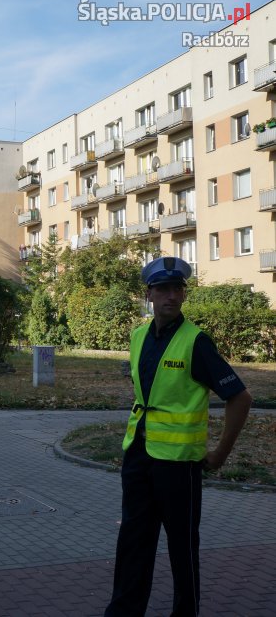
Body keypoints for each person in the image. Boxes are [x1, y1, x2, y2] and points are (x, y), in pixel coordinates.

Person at [106, 256, 252, 617]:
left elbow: (240, 398)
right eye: (163, 289)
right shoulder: (138, 336)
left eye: (178, 289)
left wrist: (219, 454)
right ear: (149, 295)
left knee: (182, 547)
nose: (171, 296)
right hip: (139, 456)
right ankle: (124, 611)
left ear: (184, 295)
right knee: (133, 541)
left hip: (179, 465)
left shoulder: (196, 342)